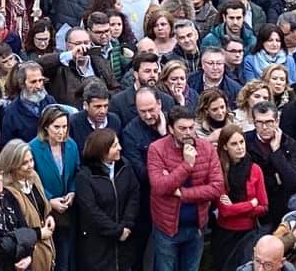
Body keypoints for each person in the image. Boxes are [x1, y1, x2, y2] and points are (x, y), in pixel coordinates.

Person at [147, 105, 225, 271]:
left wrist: (183, 193)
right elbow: (159, 187)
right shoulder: (157, 149)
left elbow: (217, 187)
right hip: (167, 229)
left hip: (196, 227)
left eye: (191, 127)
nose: (188, 132)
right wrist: (187, 165)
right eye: (182, 128)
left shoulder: (207, 149)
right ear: (171, 129)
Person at [74, 128, 139, 271]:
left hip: (124, 244)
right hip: (98, 247)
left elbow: (134, 195)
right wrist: (116, 231)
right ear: (102, 150)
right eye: (115, 146)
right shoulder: (85, 176)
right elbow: (91, 211)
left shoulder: (125, 166)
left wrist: (127, 224)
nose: (120, 148)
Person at [29, 105, 79, 271]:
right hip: (46, 212)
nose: (61, 131)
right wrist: (50, 200)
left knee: (69, 257)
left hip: (68, 210)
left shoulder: (71, 145)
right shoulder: (33, 148)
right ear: (45, 127)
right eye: (56, 127)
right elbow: (32, 180)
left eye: (64, 127)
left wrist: (72, 191)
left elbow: (76, 172)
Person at [212, 124, 269, 271]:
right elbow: (224, 211)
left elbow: (263, 207)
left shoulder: (255, 169)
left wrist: (236, 207)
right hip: (225, 234)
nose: (239, 147)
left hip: (248, 234)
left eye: (241, 142)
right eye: (234, 144)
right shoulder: (219, 170)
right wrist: (250, 204)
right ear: (225, 147)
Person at [0, 140, 56, 271]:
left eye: (31, 160)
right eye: (24, 163)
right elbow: (17, 228)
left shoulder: (34, 177)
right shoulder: (7, 191)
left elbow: (43, 206)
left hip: (47, 247)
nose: (30, 165)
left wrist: (49, 216)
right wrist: (39, 233)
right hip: (28, 253)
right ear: (12, 165)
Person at [245, 101, 296, 230]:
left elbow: (293, 181)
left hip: (282, 206)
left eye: (269, 122)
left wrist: (276, 152)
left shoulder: (289, 144)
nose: (264, 127)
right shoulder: (245, 143)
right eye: (259, 122)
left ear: (277, 121)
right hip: (254, 205)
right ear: (254, 122)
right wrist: (275, 179)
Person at [0, 61, 57, 144]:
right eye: (33, 82)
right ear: (22, 83)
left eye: (40, 80)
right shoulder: (11, 112)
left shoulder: (50, 101)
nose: (38, 86)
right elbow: (7, 145)